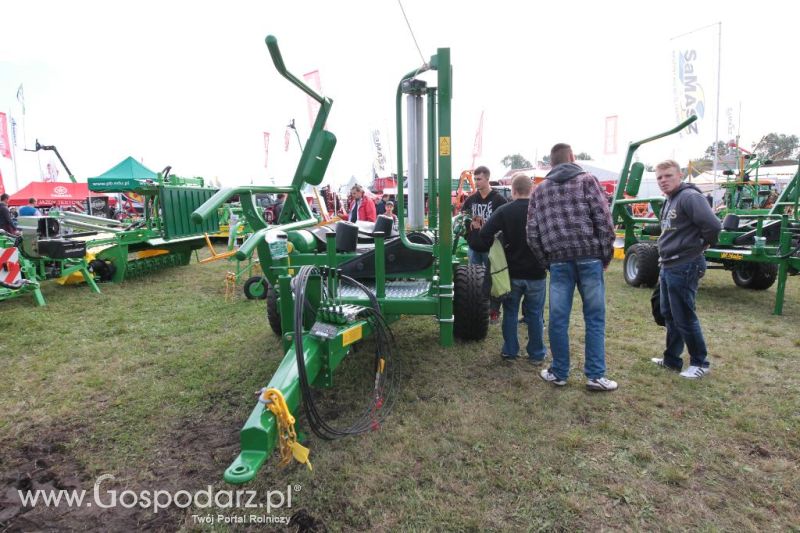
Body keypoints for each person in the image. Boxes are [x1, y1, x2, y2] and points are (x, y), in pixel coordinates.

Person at [526, 143, 618, 391]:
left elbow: (532, 234)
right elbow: (604, 221)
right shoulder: (588, 181)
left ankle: (558, 372)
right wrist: (605, 256)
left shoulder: (539, 191)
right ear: (572, 157)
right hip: (590, 259)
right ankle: (596, 376)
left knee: (558, 319)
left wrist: (547, 260)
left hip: (558, 262)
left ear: (551, 163)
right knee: (595, 318)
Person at [651, 160, 722, 379]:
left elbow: (713, 226)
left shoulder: (690, 197)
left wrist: (702, 245)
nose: (664, 180)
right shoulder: (670, 200)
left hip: (685, 264)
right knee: (670, 314)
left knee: (684, 316)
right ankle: (672, 360)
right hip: (669, 264)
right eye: (660, 177)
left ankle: (700, 362)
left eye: (668, 176)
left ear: (680, 175)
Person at [470, 173, 547, 363]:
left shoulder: (504, 210)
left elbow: (484, 236)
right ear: (532, 190)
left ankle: (510, 351)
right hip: (537, 273)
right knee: (535, 314)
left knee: (511, 313)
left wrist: (497, 244)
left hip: (510, 273)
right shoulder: (541, 210)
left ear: (513, 191)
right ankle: (536, 354)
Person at [460, 165, 507, 322]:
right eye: (475, 179)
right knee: (474, 281)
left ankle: (494, 312)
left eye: (479, 179)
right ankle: (476, 310)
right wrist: (469, 223)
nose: (476, 182)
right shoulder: (471, 199)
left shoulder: (499, 200)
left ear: (487, 178)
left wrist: (485, 223)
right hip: (474, 247)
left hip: (491, 248)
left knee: (492, 281)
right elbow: (462, 217)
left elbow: (504, 224)